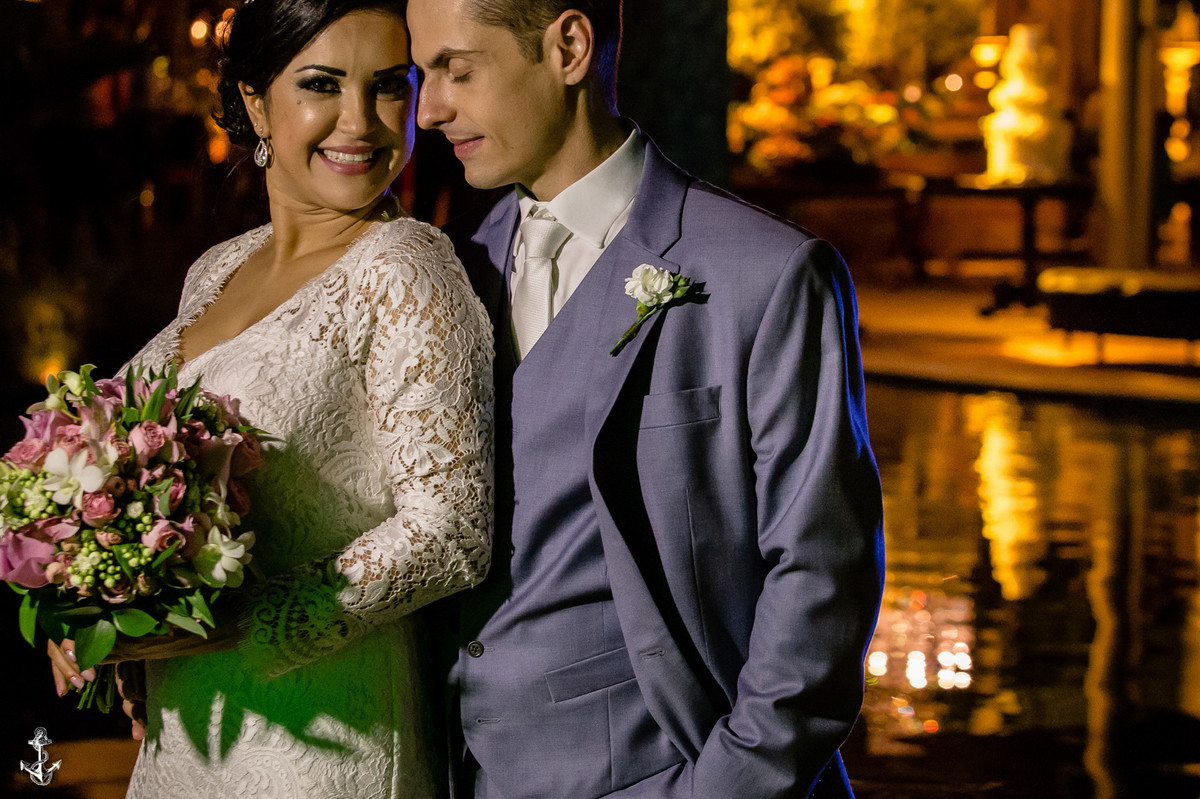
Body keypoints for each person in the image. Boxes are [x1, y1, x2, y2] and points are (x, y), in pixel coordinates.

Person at [406, 1, 885, 797]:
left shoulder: (764, 274)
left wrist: (726, 784)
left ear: (568, 47)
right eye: (423, 75)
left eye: (457, 70)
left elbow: (823, 575)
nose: (429, 110)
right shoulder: (446, 273)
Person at [45, 1, 494, 797]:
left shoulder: (406, 265)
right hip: (186, 733)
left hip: (322, 738)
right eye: (322, 84)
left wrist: (223, 622)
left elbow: (451, 528)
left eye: (389, 86)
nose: (361, 121)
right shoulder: (216, 269)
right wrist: (104, 613)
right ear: (256, 103)